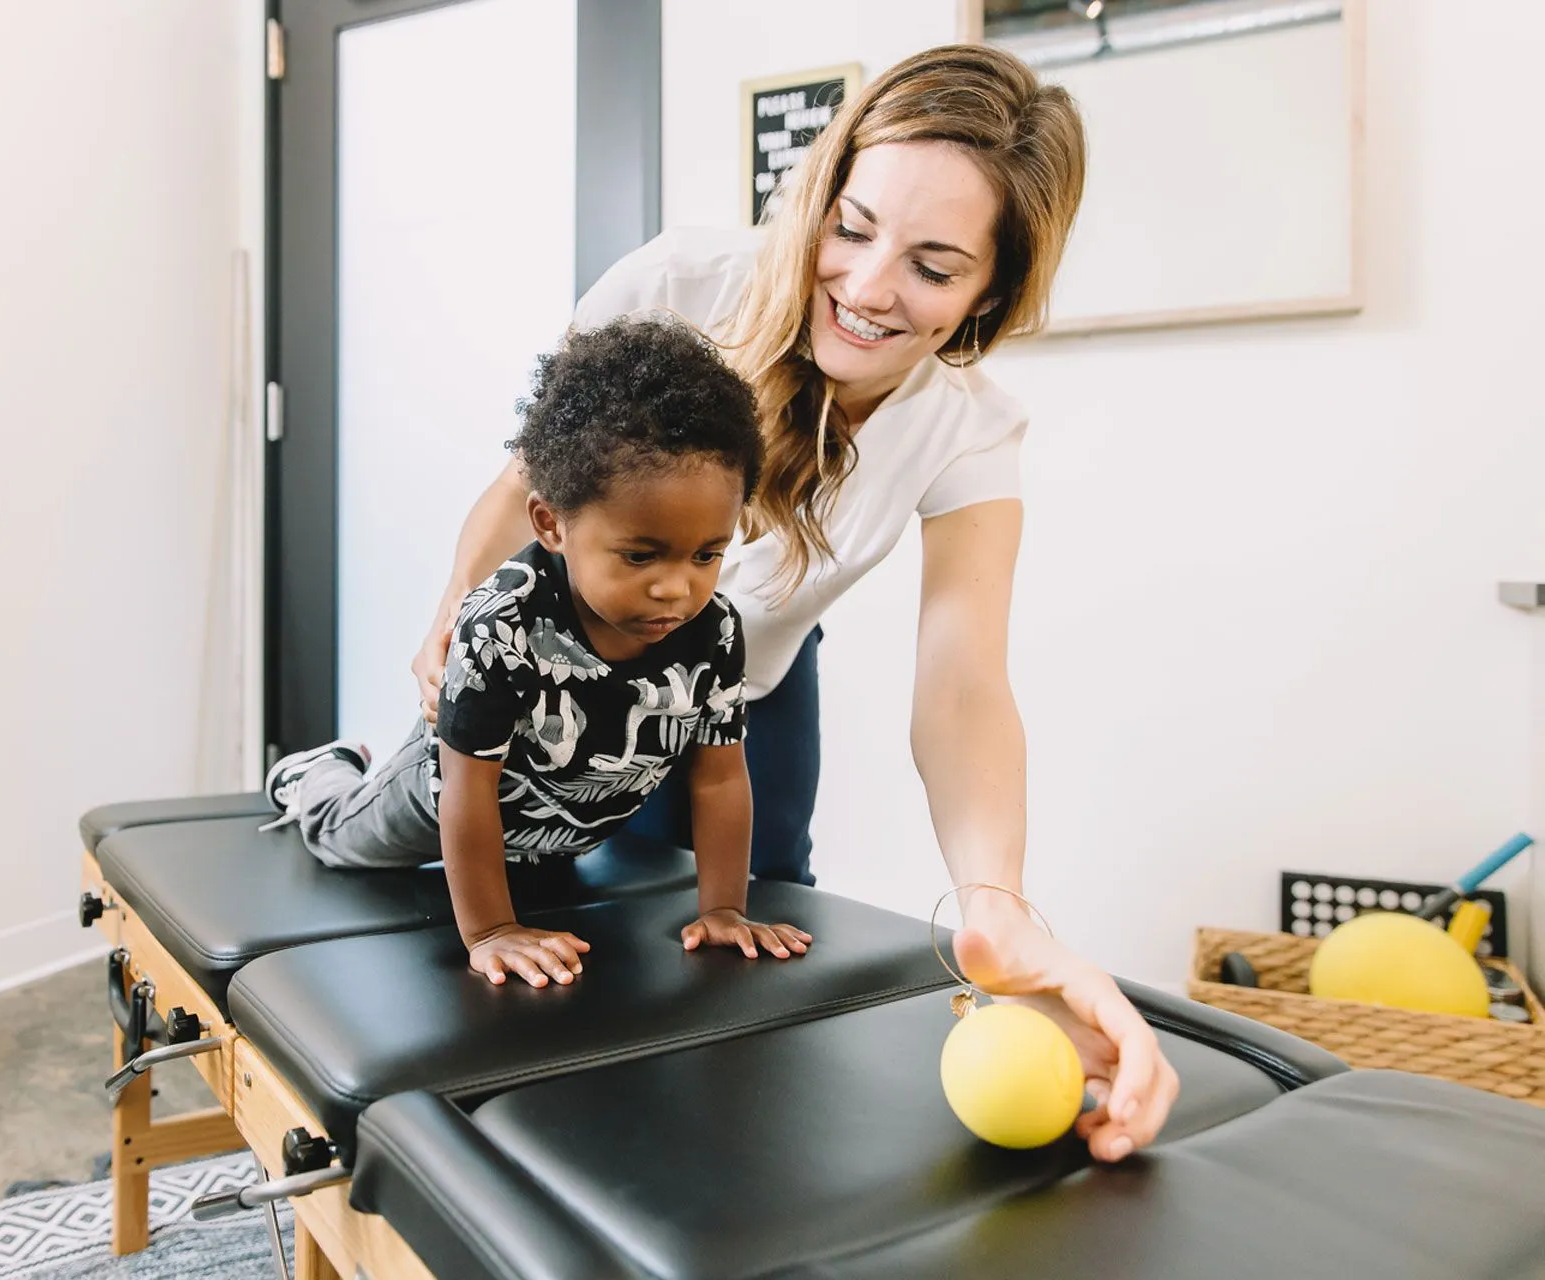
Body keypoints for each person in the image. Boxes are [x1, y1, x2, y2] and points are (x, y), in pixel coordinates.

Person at [410, 44, 1178, 1161]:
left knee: (743, 968)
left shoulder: (971, 427)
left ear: (988, 291)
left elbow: (963, 682)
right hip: (561, 670)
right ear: (819, 192)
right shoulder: (678, 283)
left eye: (933, 263)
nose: (868, 287)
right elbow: (529, 481)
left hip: (744, 681)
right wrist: (457, 625)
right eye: (853, 226)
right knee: (545, 952)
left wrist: (995, 902)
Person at [266, 316, 813, 990]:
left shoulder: (717, 632)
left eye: (707, 554)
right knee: (336, 837)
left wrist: (724, 908)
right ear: (551, 524)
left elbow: (720, 778)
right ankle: (320, 772)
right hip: (438, 794)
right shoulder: (504, 621)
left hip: (552, 827)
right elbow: (468, 790)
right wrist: (492, 930)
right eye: (640, 555)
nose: (677, 586)